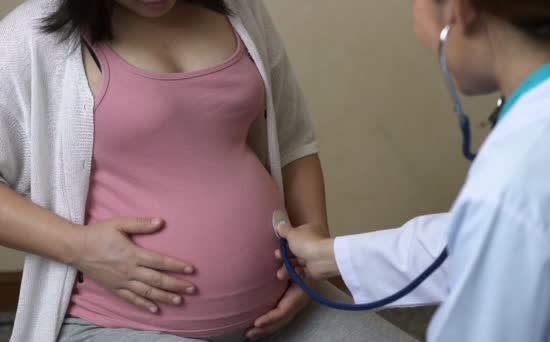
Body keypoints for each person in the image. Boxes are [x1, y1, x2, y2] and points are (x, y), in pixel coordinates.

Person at [0, 0, 413, 341]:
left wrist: (314, 250)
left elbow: (293, 140)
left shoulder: (240, 11)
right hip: (116, 323)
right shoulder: (35, 37)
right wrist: (81, 248)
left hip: (282, 312)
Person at [277, 0, 550, 341]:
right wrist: (333, 255)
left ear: (460, 12)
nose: (424, 38)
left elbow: (505, 230)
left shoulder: (514, 187)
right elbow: (479, 242)